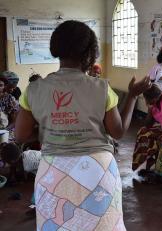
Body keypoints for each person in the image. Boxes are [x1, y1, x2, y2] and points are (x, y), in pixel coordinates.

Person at [15, 20, 151, 231]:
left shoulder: (34, 89)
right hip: (98, 171)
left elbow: (21, 135)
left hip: (54, 171)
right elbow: (118, 132)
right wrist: (132, 95)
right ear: (90, 54)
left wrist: (51, 129)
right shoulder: (101, 88)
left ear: (56, 49)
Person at [132, 82, 162, 172]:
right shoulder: (152, 105)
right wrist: (150, 110)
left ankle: (159, 166)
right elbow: (148, 125)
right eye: (146, 99)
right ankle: (148, 159)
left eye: (149, 99)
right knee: (143, 133)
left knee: (161, 139)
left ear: (156, 96)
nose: (147, 101)